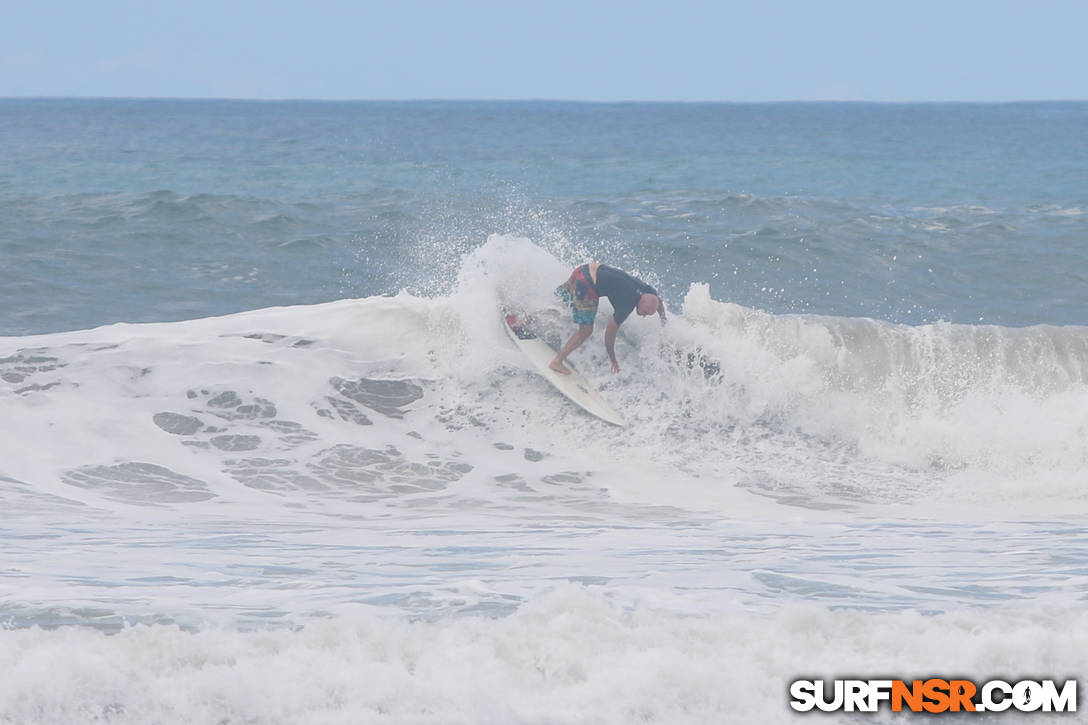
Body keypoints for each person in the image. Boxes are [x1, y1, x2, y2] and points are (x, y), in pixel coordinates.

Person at [550, 262, 665, 375]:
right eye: (645, 312)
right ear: (642, 301)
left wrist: (663, 320)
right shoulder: (627, 304)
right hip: (587, 284)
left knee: (562, 302)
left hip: (584, 269)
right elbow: (610, 333)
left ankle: (534, 318)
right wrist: (613, 358)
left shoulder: (649, 291)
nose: (644, 315)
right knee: (586, 331)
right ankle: (557, 362)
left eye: (648, 314)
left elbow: (659, 301)